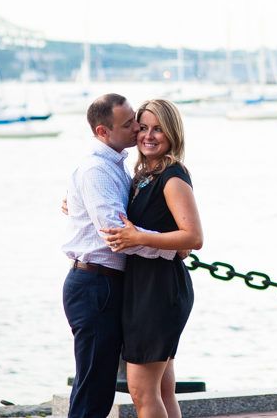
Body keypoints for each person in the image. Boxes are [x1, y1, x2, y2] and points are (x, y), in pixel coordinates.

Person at [61, 93, 179, 418]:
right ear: (103, 131)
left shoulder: (115, 167)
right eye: (128, 124)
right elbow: (118, 237)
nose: (137, 129)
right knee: (94, 390)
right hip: (96, 284)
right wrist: (173, 247)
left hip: (105, 283)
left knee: (97, 386)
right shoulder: (98, 171)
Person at [100, 98, 203, 418]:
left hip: (160, 290)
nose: (148, 135)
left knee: (141, 390)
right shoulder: (144, 174)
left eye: (158, 129)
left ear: (172, 133)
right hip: (144, 286)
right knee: (160, 389)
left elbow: (194, 238)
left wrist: (140, 237)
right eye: (143, 127)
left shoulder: (172, 177)